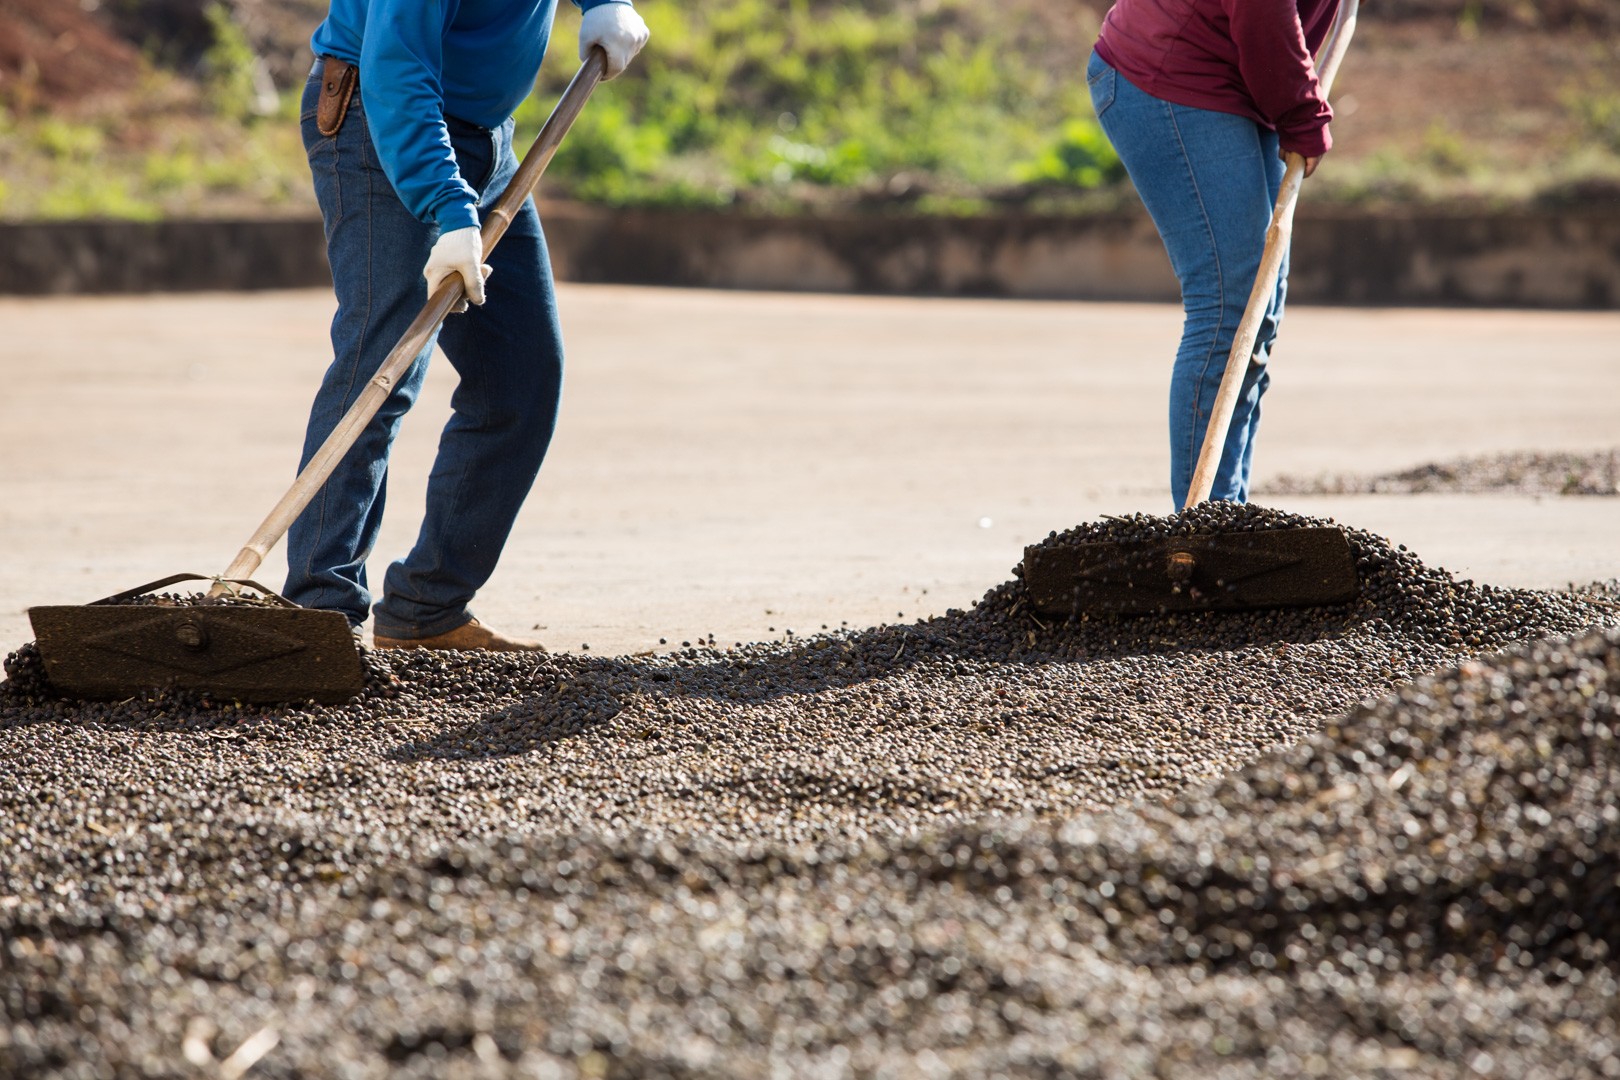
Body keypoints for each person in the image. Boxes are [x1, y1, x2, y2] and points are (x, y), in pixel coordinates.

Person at [285, 0, 649, 651]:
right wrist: (449, 210)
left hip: (485, 138)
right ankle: (318, 618)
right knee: (382, 365)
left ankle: (426, 607)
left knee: (520, 376)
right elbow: (397, 70)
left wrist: (602, 3)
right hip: (382, 119)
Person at [1087, 0, 1342, 509]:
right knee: (1230, 308)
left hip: (1242, 82)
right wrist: (1301, 113)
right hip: (1174, 73)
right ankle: (1205, 529)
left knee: (1256, 318)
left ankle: (1227, 518)